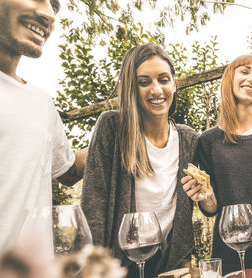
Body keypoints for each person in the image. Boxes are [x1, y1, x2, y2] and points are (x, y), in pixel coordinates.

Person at [0, 0, 85, 267]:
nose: (49, 14)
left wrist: (123, 135)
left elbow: (68, 171)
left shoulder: (42, 103)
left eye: (54, 6)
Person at [81, 43, 198, 278]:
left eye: (163, 79)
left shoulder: (189, 139)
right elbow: (93, 206)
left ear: (174, 83)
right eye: (144, 82)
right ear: (131, 88)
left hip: (169, 265)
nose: (156, 89)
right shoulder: (111, 127)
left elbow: (199, 203)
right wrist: (94, 268)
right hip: (118, 266)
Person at [182, 54, 252, 274]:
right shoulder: (208, 140)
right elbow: (211, 208)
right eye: (244, 72)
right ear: (229, 79)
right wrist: (206, 197)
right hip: (231, 252)